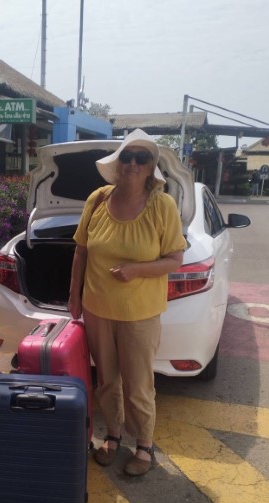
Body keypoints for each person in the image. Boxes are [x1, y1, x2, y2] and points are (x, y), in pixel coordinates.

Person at [68, 129, 186, 476]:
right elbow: (81, 251)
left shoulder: (162, 206)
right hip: (97, 309)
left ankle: (144, 444)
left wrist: (136, 270)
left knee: (138, 384)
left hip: (140, 313)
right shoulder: (97, 199)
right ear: (117, 162)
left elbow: (175, 259)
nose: (133, 163)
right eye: (127, 156)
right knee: (107, 380)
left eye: (142, 158)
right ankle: (113, 435)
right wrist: (74, 295)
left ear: (151, 168)